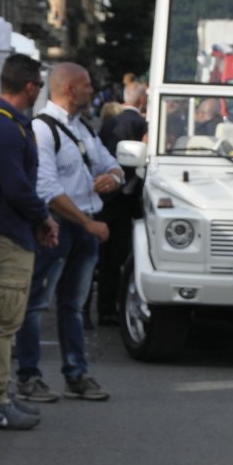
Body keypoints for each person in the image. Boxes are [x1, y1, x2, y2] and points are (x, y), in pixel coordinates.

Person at [14, 63, 124, 405]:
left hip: (82, 227)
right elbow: (45, 187)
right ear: (70, 89)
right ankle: (29, 377)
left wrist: (115, 177)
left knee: (73, 307)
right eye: (87, 85)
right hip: (57, 226)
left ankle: (76, 375)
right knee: (36, 304)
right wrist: (87, 222)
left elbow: (111, 162)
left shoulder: (81, 127)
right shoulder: (43, 129)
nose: (92, 90)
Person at [0, 53, 58, 430]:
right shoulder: (4, 129)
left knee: (7, 319)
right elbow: (17, 187)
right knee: (2, 321)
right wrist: (43, 216)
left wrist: (37, 219)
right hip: (6, 234)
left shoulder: (6, 125)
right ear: (29, 87)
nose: (39, 91)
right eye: (39, 85)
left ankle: (0, 395)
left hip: (11, 230)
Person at [95, 80, 148, 326]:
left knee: (101, 259)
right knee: (117, 259)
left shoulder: (110, 123)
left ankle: (95, 309)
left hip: (105, 200)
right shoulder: (138, 124)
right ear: (142, 100)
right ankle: (108, 309)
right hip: (122, 200)